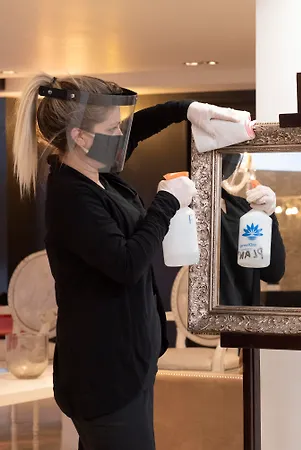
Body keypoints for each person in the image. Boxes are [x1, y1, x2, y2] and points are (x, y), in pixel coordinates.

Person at [12, 73, 246, 450]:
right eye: (111, 128)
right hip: (104, 376)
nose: (121, 134)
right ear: (80, 136)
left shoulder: (101, 176)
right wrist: (168, 201)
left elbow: (137, 129)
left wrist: (185, 110)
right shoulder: (73, 197)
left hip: (129, 364)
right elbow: (126, 263)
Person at [219, 154, 286, 306]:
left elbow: (273, 273)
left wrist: (269, 217)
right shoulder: (189, 209)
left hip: (245, 314)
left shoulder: (243, 208)